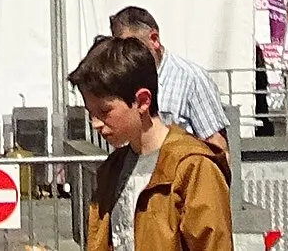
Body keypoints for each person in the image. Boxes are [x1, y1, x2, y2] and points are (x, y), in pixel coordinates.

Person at [69, 33, 230, 251]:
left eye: (105, 111)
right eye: (90, 113)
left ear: (142, 101)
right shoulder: (112, 169)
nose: (95, 123)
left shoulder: (193, 167)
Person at [105, 8, 228, 162]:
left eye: (131, 46)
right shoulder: (122, 80)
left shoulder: (191, 79)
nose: (125, 54)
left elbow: (217, 147)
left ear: (154, 39)